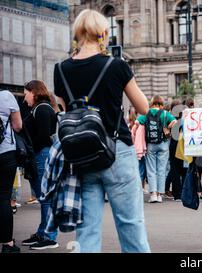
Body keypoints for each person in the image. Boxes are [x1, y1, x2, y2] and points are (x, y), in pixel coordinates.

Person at [53, 9, 150, 252]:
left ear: (77, 33)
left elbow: (66, 110)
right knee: (130, 224)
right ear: (103, 33)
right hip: (117, 150)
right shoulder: (116, 65)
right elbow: (143, 107)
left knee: (87, 229)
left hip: (82, 155)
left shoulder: (61, 69)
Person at [21, 80, 60, 250]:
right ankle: (43, 232)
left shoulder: (42, 108)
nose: (25, 98)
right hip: (39, 154)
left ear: (34, 92)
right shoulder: (40, 108)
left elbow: (43, 136)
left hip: (41, 154)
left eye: (26, 94)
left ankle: (49, 237)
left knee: (45, 198)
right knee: (43, 197)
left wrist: (30, 151)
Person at [138, 95, 177, 203]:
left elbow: (137, 122)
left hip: (150, 144)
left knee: (151, 170)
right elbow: (174, 122)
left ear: (152, 103)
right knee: (162, 170)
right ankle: (160, 194)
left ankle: (153, 194)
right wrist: (167, 127)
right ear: (161, 104)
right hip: (163, 144)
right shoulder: (165, 113)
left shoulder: (146, 113)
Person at [0, 90, 22, 253]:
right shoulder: (6, 96)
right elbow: (18, 125)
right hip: (5, 152)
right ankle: (7, 244)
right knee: (3, 197)